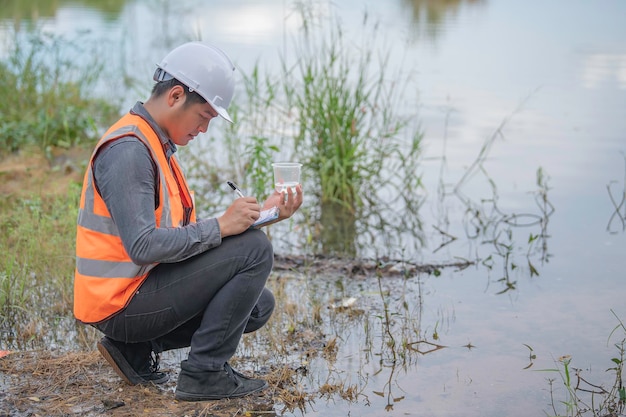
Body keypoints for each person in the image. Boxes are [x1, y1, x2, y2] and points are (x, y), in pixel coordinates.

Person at [73, 41, 303, 401]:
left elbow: (181, 238)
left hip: (136, 289)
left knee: (257, 305)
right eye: (205, 116)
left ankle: (133, 349)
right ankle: (204, 375)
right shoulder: (129, 150)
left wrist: (266, 215)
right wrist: (222, 226)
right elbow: (143, 245)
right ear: (176, 95)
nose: (205, 130)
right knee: (254, 251)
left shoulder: (155, 143)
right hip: (118, 303)